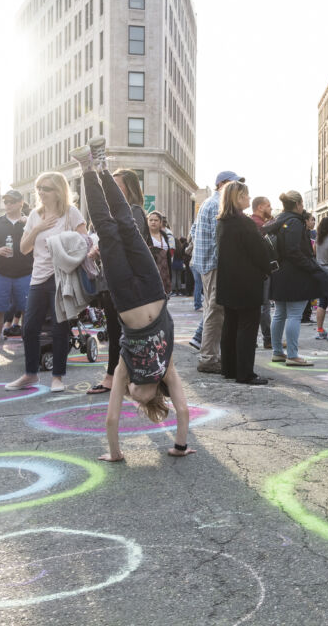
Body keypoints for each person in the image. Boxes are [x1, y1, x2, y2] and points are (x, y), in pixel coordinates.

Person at [71, 140, 194, 460]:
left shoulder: (127, 369)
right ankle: (101, 167)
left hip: (126, 298)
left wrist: (115, 453)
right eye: (138, 400)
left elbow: (112, 418)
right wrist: (180, 446)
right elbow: (182, 410)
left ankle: (88, 170)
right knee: (126, 226)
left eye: (129, 396)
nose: (132, 396)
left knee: (108, 229)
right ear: (155, 397)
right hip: (153, 290)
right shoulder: (164, 369)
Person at [5, 172, 88, 392]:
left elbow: (85, 242)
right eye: (39, 188)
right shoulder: (35, 214)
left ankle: (57, 377)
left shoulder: (71, 213)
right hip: (38, 276)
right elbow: (23, 249)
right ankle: (30, 374)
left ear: (58, 191)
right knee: (29, 327)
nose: (41, 192)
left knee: (60, 328)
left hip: (63, 277)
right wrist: (37, 228)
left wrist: (63, 243)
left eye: (46, 188)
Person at [216, 181, 273, 384]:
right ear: (238, 197)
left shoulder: (223, 222)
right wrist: (267, 268)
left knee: (230, 325)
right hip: (247, 282)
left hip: (227, 281)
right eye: (246, 195)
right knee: (247, 328)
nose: (249, 198)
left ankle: (229, 368)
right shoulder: (245, 223)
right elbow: (259, 253)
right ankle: (245, 373)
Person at [188, 171, 242, 372]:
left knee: (213, 309)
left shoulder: (209, 202)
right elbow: (218, 239)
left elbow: (194, 231)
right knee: (215, 311)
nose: (238, 189)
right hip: (214, 264)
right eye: (234, 184)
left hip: (207, 263)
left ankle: (210, 355)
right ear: (222, 184)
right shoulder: (219, 203)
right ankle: (209, 358)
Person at [265, 191, 320, 367]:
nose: (303, 207)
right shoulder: (295, 222)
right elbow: (294, 250)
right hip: (295, 273)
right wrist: (311, 266)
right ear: (297, 204)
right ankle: (293, 355)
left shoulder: (278, 219)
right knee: (295, 315)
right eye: (302, 204)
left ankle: (277, 352)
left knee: (279, 313)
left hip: (278, 272)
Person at [0, 190, 32, 361]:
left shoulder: (30, 222)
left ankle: (30, 345)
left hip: (25, 273)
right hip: (0, 273)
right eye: (6, 202)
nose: (8, 205)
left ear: (21, 202)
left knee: (28, 310)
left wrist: (31, 224)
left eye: (12, 201)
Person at [250, 196, 274, 348]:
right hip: (261, 271)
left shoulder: (253, 223)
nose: (271, 208)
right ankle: (268, 339)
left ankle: (257, 339)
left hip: (254, 270)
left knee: (257, 306)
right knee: (263, 306)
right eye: (268, 205)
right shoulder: (260, 225)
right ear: (260, 207)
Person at [112, 168, 151, 244]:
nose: (111, 189)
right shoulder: (114, 211)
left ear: (130, 189)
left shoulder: (135, 211)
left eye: (116, 186)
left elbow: (131, 243)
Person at [147, 210, 174, 293]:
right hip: (150, 272)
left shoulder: (164, 235)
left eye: (156, 220)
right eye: (151, 220)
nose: (153, 222)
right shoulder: (145, 236)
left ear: (160, 222)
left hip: (164, 271)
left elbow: (169, 255)